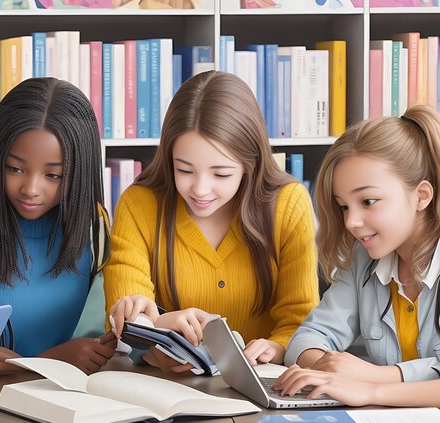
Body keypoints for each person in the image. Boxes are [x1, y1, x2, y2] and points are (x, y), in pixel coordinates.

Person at [105, 71, 319, 372]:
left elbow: (302, 320)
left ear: (250, 165)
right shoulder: (139, 204)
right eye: (185, 170)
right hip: (166, 387)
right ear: (169, 159)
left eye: (221, 174)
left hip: (260, 383)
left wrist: (278, 345)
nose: (201, 189)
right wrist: (158, 329)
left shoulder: (288, 203)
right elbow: (125, 309)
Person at [0, 77, 117, 376]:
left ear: (79, 175)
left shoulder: (93, 224)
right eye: (15, 168)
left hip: (67, 397)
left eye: (53, 175)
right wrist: (50, 360)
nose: (30, 189)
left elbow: (106, 333)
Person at [274, 105, 440, 406]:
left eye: (368, 201)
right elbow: (307, 339)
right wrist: (330, 368)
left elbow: (370, 383)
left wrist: (374, 383)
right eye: (344, 206)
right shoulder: (363, 260)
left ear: (421, 196)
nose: (351, 222)